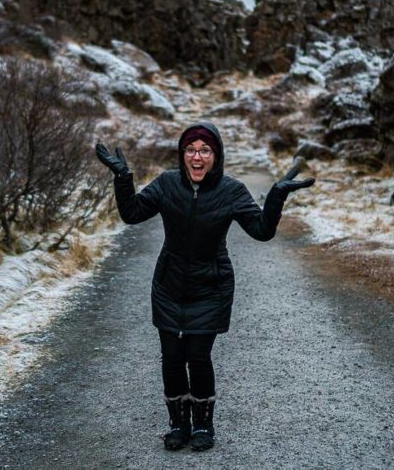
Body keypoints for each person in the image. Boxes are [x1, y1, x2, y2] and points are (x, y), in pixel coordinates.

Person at [95, 122, 314, 452]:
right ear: (183, 155)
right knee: (171, 357)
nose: (197, 156)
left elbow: (262, 230)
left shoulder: (231, 191)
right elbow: (132, 213)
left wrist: (276, 196)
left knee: (197, 356)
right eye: (191, 150)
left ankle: (203, 426)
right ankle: (178, 425)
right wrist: (123, 179)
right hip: (169, 284)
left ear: (216, 156)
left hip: (211, 286)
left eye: (205, 150)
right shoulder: (168, 184)